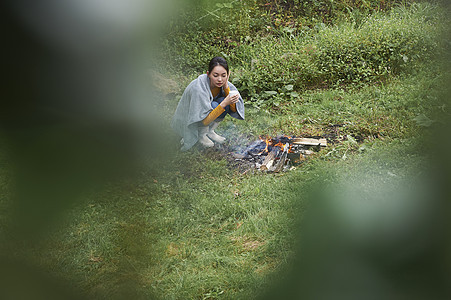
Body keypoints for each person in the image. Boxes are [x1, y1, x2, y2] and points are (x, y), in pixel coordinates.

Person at [171, 57, 245, 151]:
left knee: (222, 101)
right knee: (216, 105)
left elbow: (234, 109)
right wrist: (224, 103)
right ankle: (201, 135)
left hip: (203, 115)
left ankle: (210, 132)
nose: (220, 79)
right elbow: (204, 121)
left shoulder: (224, 84)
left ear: (228, 75)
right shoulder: (198, 88)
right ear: (208, 74)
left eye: (223, 75)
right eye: (215, 75)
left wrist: (226, 87)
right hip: (189, 118)